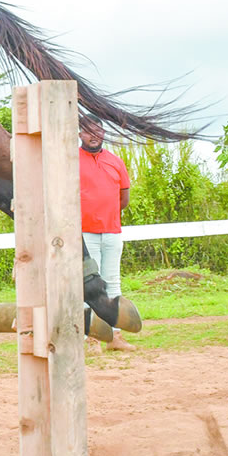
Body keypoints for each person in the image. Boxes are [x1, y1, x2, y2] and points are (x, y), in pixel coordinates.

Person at [79, 116, 135, 352]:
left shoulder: (115, 162)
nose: (95, 136)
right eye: (89, 131)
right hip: (84, 234)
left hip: (112, 231)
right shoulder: (70, 160)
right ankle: (92, 339)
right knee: (89, 286)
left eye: (98, 131)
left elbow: (123, 198)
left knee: (113, 282)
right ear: (80, 134)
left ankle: (115, 337)